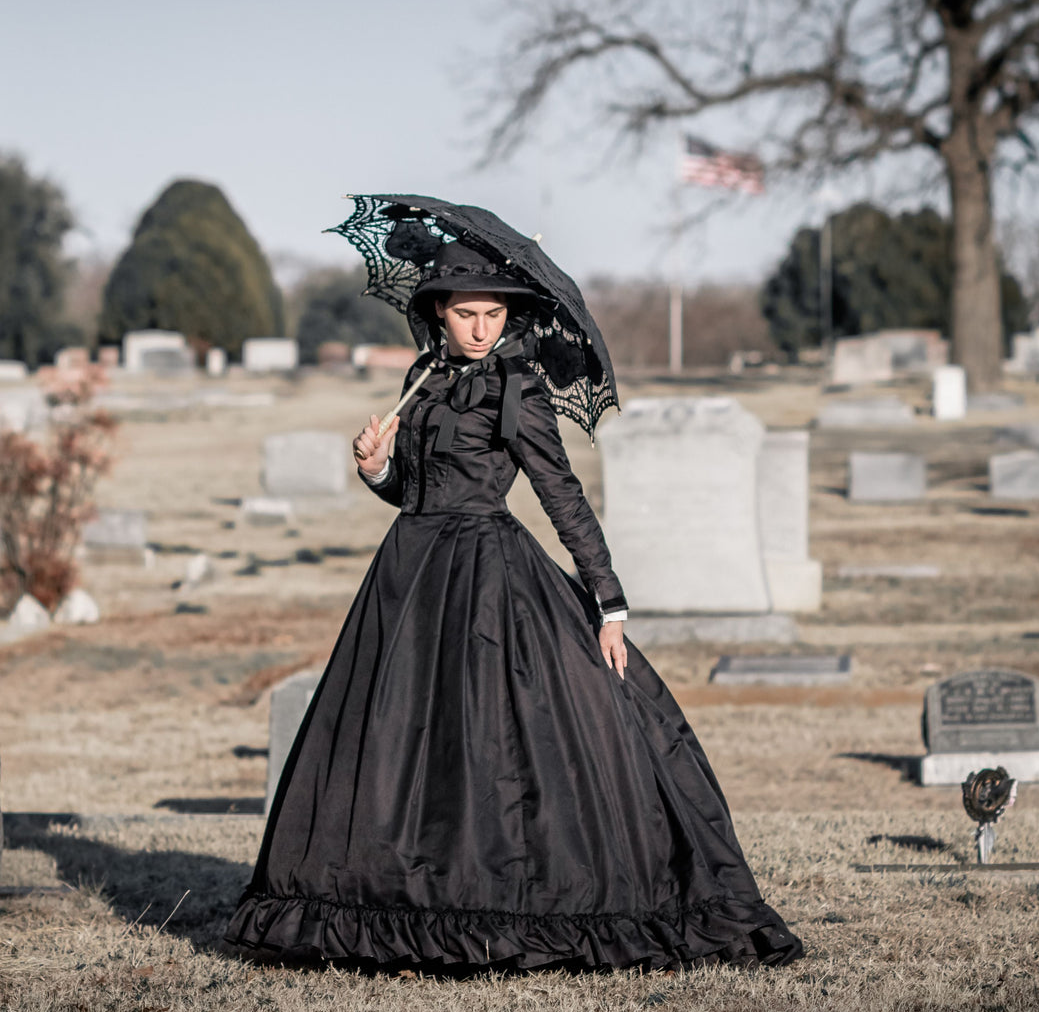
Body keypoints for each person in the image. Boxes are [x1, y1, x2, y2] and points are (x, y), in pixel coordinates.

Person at [225, 241, 801, 971]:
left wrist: (608, 597)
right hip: (408, 577)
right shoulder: (422, 376)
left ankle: (495, 895)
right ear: (438, 310)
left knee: (490, 739)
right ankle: (397, 894)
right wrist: (375, 467)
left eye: (492, 314)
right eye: (466, 313)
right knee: (399, 737)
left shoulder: (517, 387)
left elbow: (559, 492)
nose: (480, 327)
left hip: (488, 576)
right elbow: (413, 491)